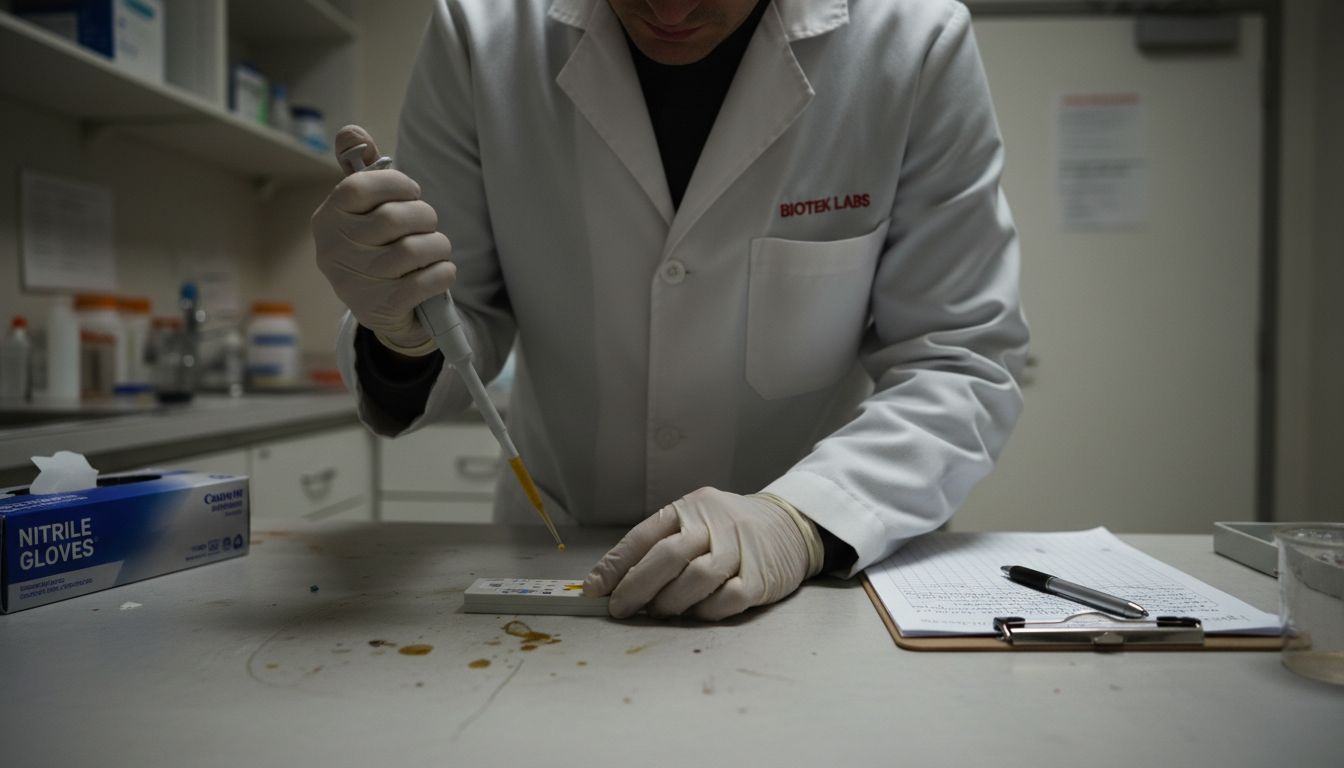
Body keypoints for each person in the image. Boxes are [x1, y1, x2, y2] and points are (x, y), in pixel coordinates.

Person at [311, 0, 1028, 621]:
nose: (672, 13)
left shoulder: (914, 41)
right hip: (564, 553)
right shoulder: (483, 33)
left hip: (813, 575)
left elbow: (957, 357)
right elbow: (455, 302)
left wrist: (801, 520)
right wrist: (401, 335)